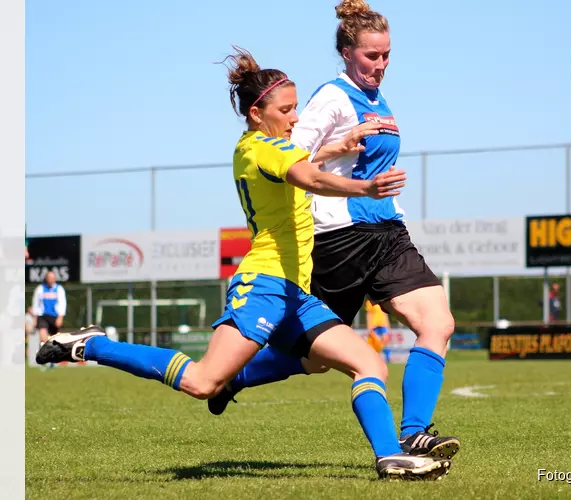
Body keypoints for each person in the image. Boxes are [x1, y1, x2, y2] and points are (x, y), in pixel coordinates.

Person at [36, 48, 450, 481]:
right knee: (202, 382)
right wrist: (364, 188)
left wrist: (334, 148)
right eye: (286, 110)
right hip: (264, 288)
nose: (295, 118)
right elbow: (308, 177)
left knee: (368, 364)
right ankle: (93, 345)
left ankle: (390, 458)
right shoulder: (262, 148)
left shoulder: (267, 148)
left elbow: (302, 163)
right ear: (257, 113)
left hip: (296, 294)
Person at [208, 0, 460, 461]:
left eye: (386, 55)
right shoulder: (331, 97)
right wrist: (346, 165)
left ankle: (415, 432)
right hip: (339, 240)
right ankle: (233, 376)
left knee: (438, 323)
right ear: (346, 51)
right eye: (371, 56)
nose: (380, 65)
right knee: (316, 357)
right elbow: (291, 158)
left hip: (387, 232)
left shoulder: (377, 99)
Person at [31, 270, 67, 369]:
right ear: (46, 279)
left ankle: (52, 361)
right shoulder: (40, 289)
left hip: (54, 317)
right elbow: (36, 304)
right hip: (43, 316)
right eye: (49, 278)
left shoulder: (59, 289)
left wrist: (60, 317)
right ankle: (42, 361)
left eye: (53, 278)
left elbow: (62, 303)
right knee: (43, 339)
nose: (51, 280)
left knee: (53, 341)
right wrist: (35, 319)